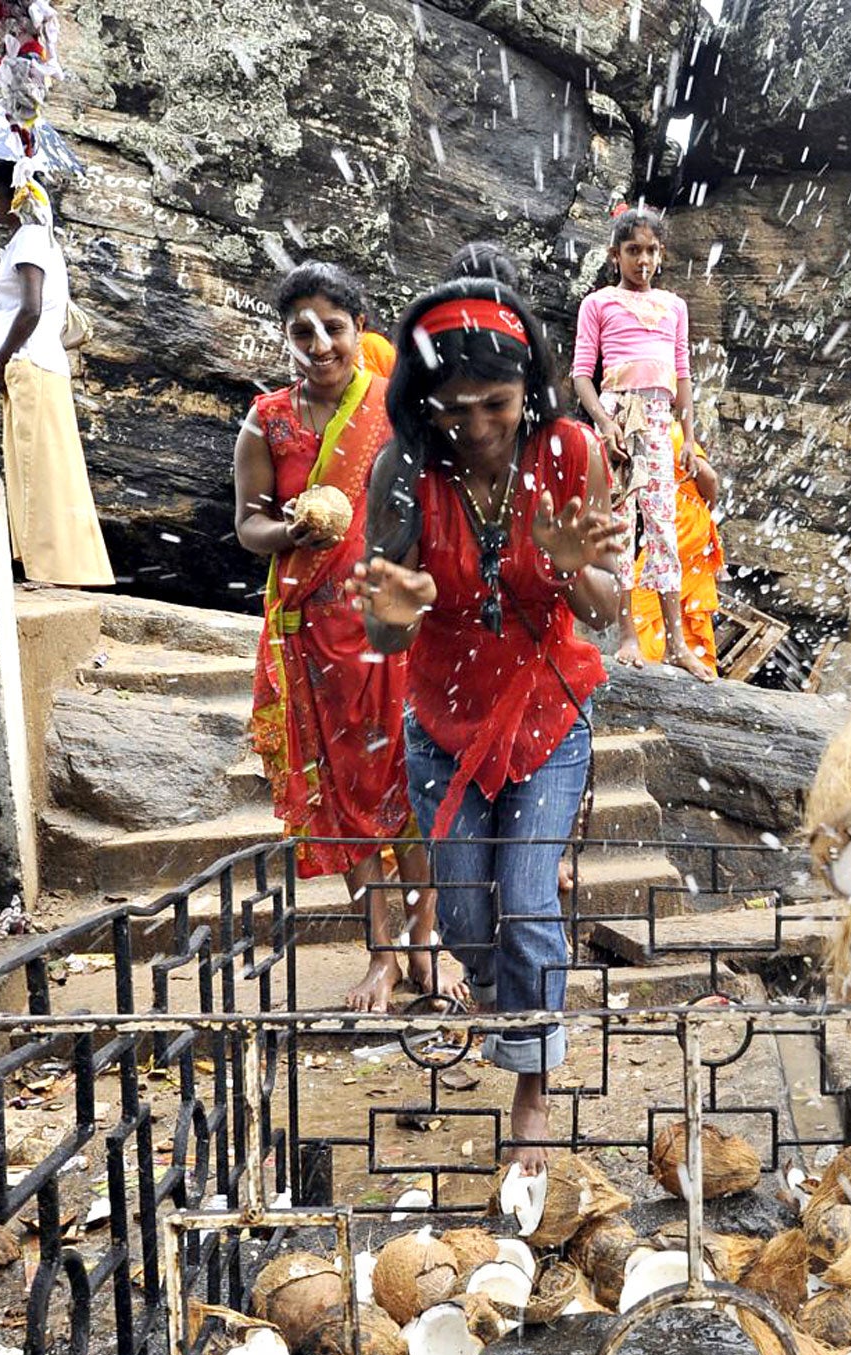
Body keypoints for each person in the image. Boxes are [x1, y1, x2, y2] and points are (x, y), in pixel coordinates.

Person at [351, 277, 623, 1170]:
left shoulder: (571, 451)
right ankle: (511, 1002)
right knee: (468, 916)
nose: (476, 426)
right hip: (443, 714)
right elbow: (382, 626)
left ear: (529, 388)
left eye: (496, 404)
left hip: (545, 708)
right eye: (454, 408)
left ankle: (531, 1091)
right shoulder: (402, 469)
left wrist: (574, 569)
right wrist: (400, 608)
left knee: (529, 897)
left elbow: (610, 613)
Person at [233, 260, 460, 1011]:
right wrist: (292, 524)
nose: (320, 343)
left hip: (399, 629)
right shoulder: (267, 421)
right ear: (286, 339)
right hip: (315, 638)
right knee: (348, 794)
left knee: (414, 783)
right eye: (303, 330)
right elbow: (248, 525)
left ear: (359, 330)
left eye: (334, 326)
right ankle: (381, 951)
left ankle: (428, 938)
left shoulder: (398, 409)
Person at [571, 203, 709, 677]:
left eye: (651, 251)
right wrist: (603, 425)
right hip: (617, 416)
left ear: (661, 253)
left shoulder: (674, 306)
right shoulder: (600, 303)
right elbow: (581, 374)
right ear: (616, 255)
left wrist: (687, 438)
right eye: (633, 251)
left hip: (658, 421)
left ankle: (675, 642)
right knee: (622, 527)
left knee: (664, 527)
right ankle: (628, 635)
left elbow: (684, 375)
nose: (643, 260)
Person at [0, 160, 112, 587]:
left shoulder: (32, 238)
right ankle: (53, 566)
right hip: (39, 366)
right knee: (43, 468)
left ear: (15, 196)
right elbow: (15, 298)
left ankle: (48, 570)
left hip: (30, 365)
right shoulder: (33, 240)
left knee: (38, 472)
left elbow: (32, 309)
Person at [629, 422, 724, 671]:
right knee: (681, 594)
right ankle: (692, 655)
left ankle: (653, 658)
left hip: (681, 522)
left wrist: (706, 507)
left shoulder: (671, 431)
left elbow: (709, 476)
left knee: (642, 592)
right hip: (682, 520)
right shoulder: (651, 431)